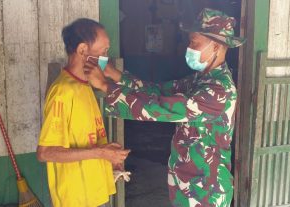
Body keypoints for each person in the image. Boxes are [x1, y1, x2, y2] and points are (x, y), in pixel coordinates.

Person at [85, 8, 246, 207]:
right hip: (188, 182)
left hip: (207, 190)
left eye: (194, 42)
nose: (189, 47)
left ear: (215, 46)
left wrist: (105, 86)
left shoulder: (219, 91)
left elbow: (162, 108)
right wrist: (115, 75)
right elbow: (159, 91)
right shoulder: (201, 80)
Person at [37, 18, 130, 207]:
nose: (106, 57)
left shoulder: (85, 85)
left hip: (94, 193)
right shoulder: (62, 91)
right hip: (77, 198)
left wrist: (108, 155)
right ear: (82, 50)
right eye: (103, 51)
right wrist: (101, 152)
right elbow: (45, 153)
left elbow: (87, 138)